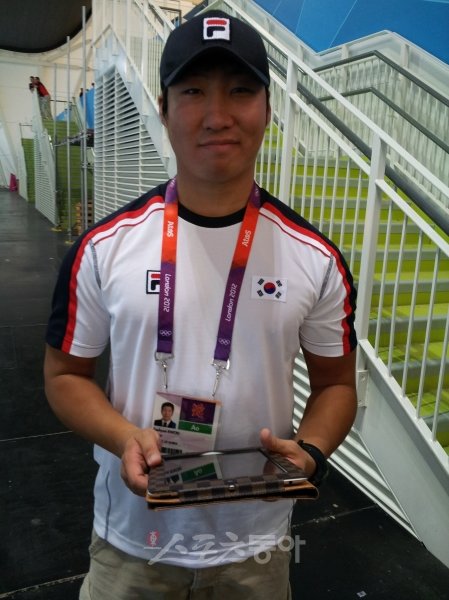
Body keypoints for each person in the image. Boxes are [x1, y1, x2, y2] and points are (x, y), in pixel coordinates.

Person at [44, 9, 357, 600]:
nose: (217, 115)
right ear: (164, 108)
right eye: (193, 92)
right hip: (132, 543)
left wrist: (311, 452)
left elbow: (336, 385)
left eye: (240, 91)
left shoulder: (314, 259)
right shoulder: (103, 248)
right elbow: (65, 376)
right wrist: (123, 436)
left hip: (256, 546)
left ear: (268, 109)